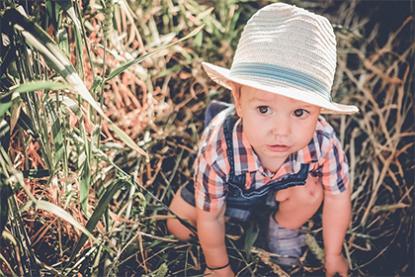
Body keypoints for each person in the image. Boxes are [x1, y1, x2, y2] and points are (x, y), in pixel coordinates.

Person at [166, 2, 358, 277]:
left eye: (300, 112)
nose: (281, 130)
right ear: (239, 103)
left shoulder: (323, 142)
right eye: (264, 109)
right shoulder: (220, 148)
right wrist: (217, 266)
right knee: (179, 226)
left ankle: (282, 227)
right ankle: (234, 224)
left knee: (312, 192)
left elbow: (338, 196)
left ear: (319, 113)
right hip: (228, 196)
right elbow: (210, 214)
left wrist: (333, 254)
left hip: (281, 193)